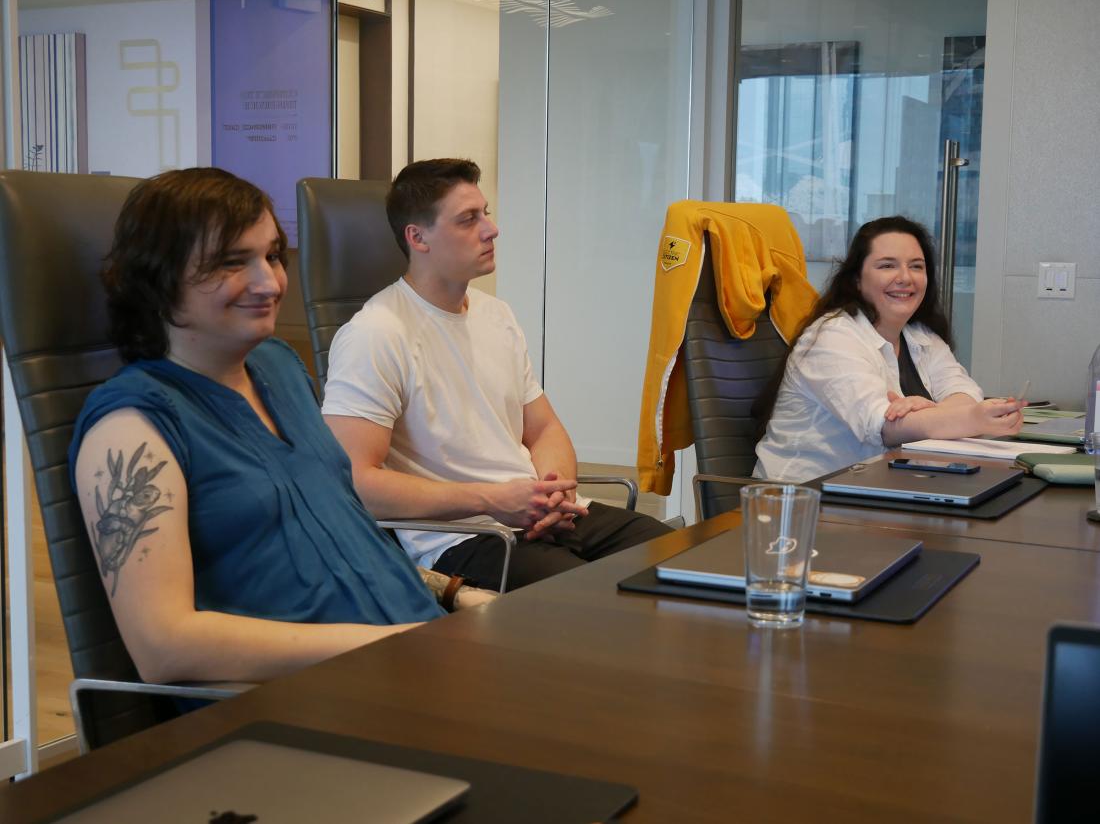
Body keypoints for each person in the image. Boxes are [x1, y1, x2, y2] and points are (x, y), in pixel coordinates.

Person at [69, 168, 493, 686]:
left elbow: (339, 534)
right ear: (158, 279)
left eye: (271, 255)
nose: (269, 283)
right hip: (316, 707)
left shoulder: (278, 367)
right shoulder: (130, 427)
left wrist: (451, 593)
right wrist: (397, 644)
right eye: (231, 263)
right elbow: (165, 646)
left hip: (417, 660)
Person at [322, 158, 672, 591]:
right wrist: (491, 500)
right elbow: (355, 480)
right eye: (469, 219)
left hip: (538, 516)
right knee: (598, 602)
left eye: (484, 213)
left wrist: (552, 492)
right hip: (464, 537)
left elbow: (543, 428)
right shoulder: (375, 335)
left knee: (682, 559)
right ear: (419, 237)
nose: (491, 229)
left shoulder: (496, 314)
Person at [754, 215, 1024, 482]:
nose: (905, 277)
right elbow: (884, 427)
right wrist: (966, 418)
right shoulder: (832, 337)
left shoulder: (919, 334)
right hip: (800, 501)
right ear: (857, 280)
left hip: (870, 490)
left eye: (917, 267)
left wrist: (932, 412)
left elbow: (964, 392)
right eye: (887, 266)